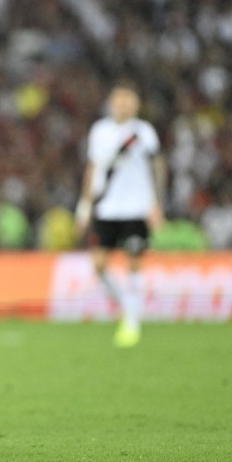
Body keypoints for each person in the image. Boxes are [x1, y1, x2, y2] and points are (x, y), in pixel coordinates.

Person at [75, 83, 166, 348]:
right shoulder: (100, 131)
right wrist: (84, 204)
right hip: (107, 207)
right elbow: (92, 168)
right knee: (99, 264)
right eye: (120, 99)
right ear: (111, 103)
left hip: (137, 207)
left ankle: (133, 322)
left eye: (129, 99)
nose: (124, 104)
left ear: (136, 104)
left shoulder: (144, 131)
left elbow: (157, 166)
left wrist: (158, 203)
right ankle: (129, 307)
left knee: (134, 261)